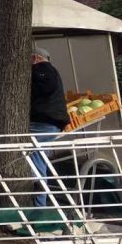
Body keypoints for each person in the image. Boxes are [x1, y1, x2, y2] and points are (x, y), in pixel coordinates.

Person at [29, 45, 70, 207]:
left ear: (36, 58)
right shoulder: (51, 71)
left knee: (35, 156)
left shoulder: (42, 69)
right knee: (38, 156)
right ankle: (39, 199)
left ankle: (39, 200)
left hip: (43, 122)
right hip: (50, 122)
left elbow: (44, 88)